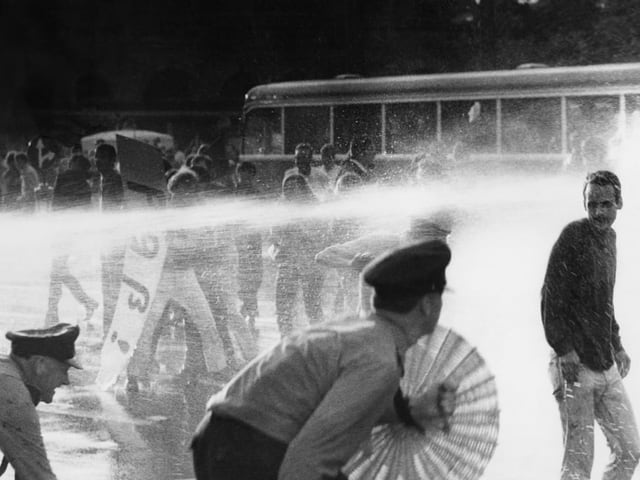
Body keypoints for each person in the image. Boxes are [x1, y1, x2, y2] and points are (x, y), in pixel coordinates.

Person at [191, 239, 456, 480]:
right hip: (249, 446)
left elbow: (331, 401)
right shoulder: (379, 361)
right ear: (427, 305)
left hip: (227, 438)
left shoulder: (361, 332)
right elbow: (307, 460)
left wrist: (408, 410)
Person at [541, 170, 640, 480]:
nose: (598, 212)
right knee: (577, 465)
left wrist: (618, 344)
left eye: (606, 204)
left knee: (630, 450)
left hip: (604, 360)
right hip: (573, 365)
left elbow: (603, 302)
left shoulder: (610, 238)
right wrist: (565, 350)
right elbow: (550, 298)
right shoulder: (573, 236)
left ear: (619, 203)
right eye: (591, 204)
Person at [316, 211, 454, 317]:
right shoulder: (383, 242)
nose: (443, 243)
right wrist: (352, 264)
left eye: (444, 238)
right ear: (418, 232)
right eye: (439, 237)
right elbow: (324, 256)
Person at [0, 323, 82, 480]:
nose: (66, 381)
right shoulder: (12, 395)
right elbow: (37, 475)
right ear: (40, 364)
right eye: (63, 371)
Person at [270, 173, 328, 336]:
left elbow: (320, 237)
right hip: (287, 263)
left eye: (293, 190)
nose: (289, 194)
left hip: (311, 265)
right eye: (286, 190)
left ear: (303, 190)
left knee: (312, 307)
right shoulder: (280, 210)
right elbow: (273, 237)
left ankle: (319, 341)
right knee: (283, 308)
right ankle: (285, 342)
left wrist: (298, 226)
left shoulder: (316, 210)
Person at [45, 155, 99, 327]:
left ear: (76, 165)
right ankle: (86, 302)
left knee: (56, 272)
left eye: (71, 163)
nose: (69, 165)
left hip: (61, 231)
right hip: (70, 233)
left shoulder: (64, 177)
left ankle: (52, 311)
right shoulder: (85, 185)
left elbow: (55, 203)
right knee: (60, 271)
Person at [95, 144, 125, 338]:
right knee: (108, 288)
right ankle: (109, 331)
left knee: (113, 288)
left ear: (111, 161)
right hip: (108, 242)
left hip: (115, 243)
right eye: (96, 157)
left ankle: (113, 331)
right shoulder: (105, 178)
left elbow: (114, 212)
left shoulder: (114, 179)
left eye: (101, 158)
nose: (97, 161)